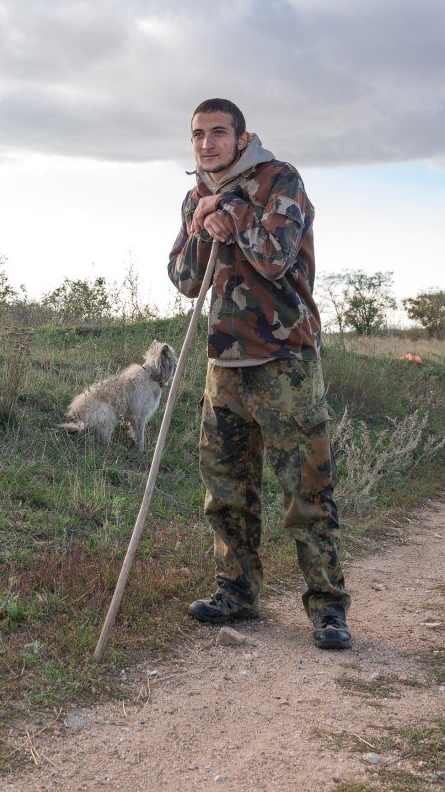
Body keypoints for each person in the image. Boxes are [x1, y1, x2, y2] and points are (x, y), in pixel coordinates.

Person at [167, 97, 352, 650]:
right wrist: (204, 225)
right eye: (198, 134)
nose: (207, 143)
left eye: (219, 132)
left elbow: (274, 258)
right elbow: (184, 278)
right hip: (223, 365)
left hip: (285, 362)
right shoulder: (195, 197)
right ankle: (237, 591)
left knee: (306, 493)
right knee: (226, 489)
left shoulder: (280, 180)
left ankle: (328, 608)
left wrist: (231, 210)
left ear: (242, 139)